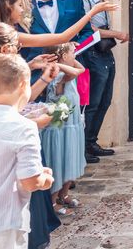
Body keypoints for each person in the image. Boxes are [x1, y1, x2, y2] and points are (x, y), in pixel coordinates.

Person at [0, 54, 54, 249]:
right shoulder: (24, 127)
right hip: (5, 221)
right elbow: (30, 182)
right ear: (23, 85)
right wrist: (45, 179)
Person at [82, 0, 128, 162]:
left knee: (105, 100)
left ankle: (92, 142)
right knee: (93, 102)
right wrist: (116, 33)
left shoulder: (104, 5)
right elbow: (88, 28)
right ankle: (84, 146)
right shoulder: (85, 3)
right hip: (93, 55)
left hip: (105, 55)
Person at [40, 42, 87, 216]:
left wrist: (67, 55)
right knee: (60, 158)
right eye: (72, 53)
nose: (76, 56)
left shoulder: (65, 70)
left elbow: (80, 68)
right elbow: (76, 71)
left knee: (71, 156)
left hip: (71, 121)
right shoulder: (59, 74)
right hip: (60, 123)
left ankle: (64, 194)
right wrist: (59, 63)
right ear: (63, 57)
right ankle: (53, 202)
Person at [0, 0, 116, 51]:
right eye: (20, 5)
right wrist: (92, 12)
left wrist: (31, 65)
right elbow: (62, 37)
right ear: (8, 8)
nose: (23, 10)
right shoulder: (7, 35)